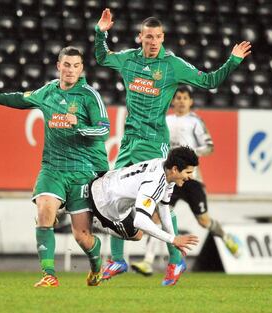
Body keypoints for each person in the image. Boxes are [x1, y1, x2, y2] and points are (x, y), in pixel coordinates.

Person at [94, 8, 252, 286]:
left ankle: (176, 260)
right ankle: (118, 259)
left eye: (157, 37)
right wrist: (100, 33)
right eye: (148, 37)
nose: (153, 42)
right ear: (139, 37)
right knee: (114, 195)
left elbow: (209, 80)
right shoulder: (128, 59)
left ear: (163, 37)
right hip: (130, 141)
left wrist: (233, 62)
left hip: (155, 143)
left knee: (161, 205)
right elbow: (102, 57)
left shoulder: (172, 64)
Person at [0, 47, 110, 288]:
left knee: (82, 236)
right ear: (58, 66)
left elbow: (104, 128)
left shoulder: (89, 96)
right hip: (52, 167)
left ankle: (96, 266)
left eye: (76, 66)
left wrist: (79, 128)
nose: (71, 70)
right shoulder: (48, 91)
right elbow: (21, 99)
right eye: (67, 65)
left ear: (81, 69)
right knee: (45, 209)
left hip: (82, 171)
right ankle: (49, 274)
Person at [131, 86, 240, 276]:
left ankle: (225, 236)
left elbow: (209, 146)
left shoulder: (195, 122)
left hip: (191, 179)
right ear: (173, 101)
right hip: (170, 177)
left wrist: (188, 155)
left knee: (204, 221)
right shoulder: (165, 120)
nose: (181, 101)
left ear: (190, 102)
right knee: (156, 217)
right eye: (178, 97)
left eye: (185, 98)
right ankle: (148, 261)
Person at [90, 146, 199, 286]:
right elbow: (140, 221)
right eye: (188, 172)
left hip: (106, 184)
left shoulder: (165, 168)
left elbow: (164, 208)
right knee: (137, 235)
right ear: (175, 169)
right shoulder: (154, 183)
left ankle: (118, 260)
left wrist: (174, 240)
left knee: (145, 218)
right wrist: (173, 239)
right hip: (102, 204)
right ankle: (114, 257)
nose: (191, 177)